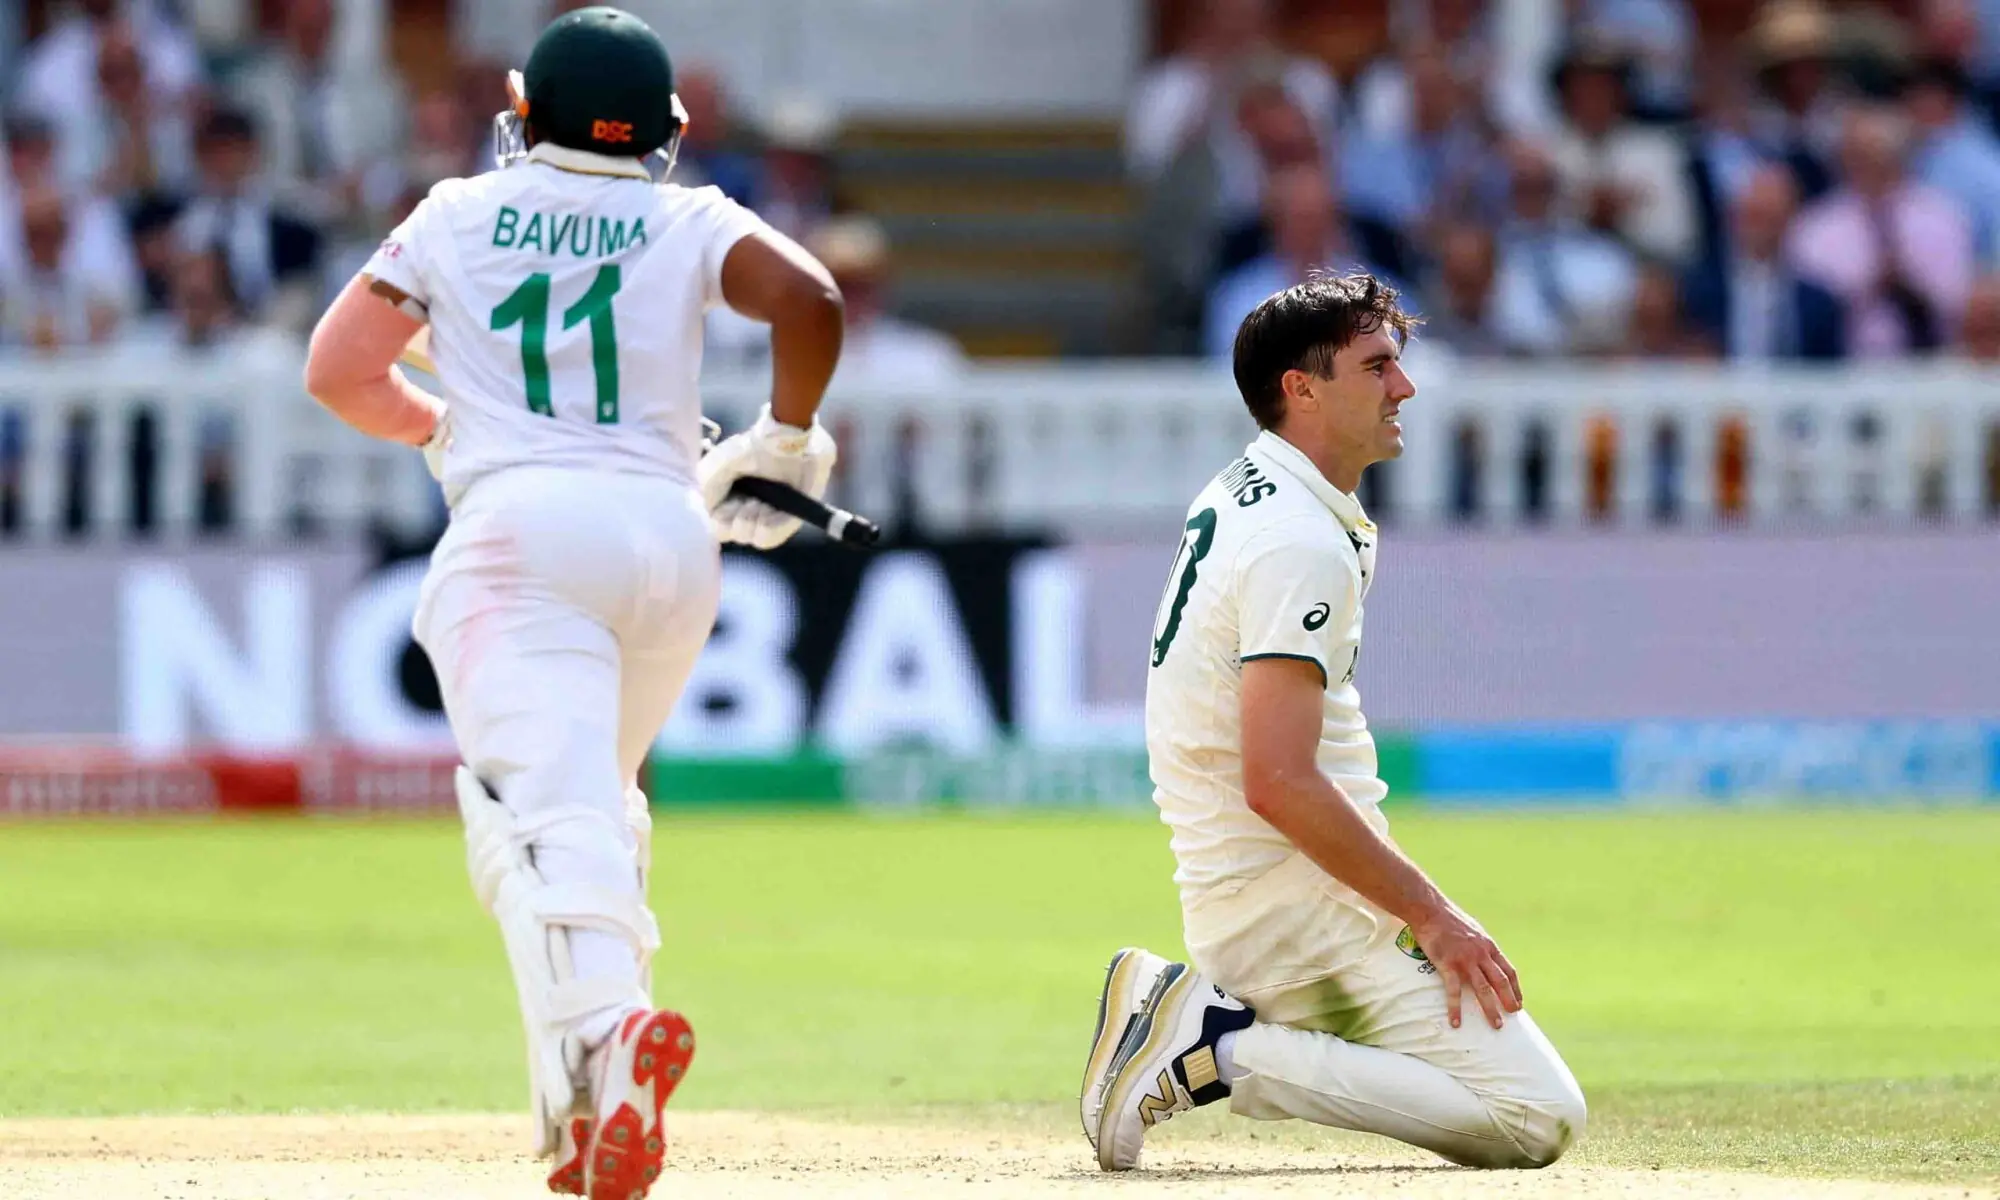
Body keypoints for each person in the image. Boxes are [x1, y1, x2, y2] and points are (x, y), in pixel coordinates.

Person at [300, 8, 844, 1198]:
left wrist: (439, 423)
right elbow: (811, 300)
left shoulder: (453, 213)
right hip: (669, 542)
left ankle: (610, 1035)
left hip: (519, 538)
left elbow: (336, 370)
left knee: (533, 818)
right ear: (668, 128)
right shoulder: (687, 212)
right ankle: (586, 1111)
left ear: (521, 106)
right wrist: (786, 437)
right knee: (587, 809)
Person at [1082, 272, 1586, 1173]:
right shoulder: (1296, 540)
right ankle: (1213, 1043)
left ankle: (1208, 1031)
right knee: (1534, 1117)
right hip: (1300, 909)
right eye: (1378, 365)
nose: (1406, 387)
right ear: (1301, 388)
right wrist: (1433, 917)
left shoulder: (1256, 487)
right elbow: (1277, 780)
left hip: (1262, 890)